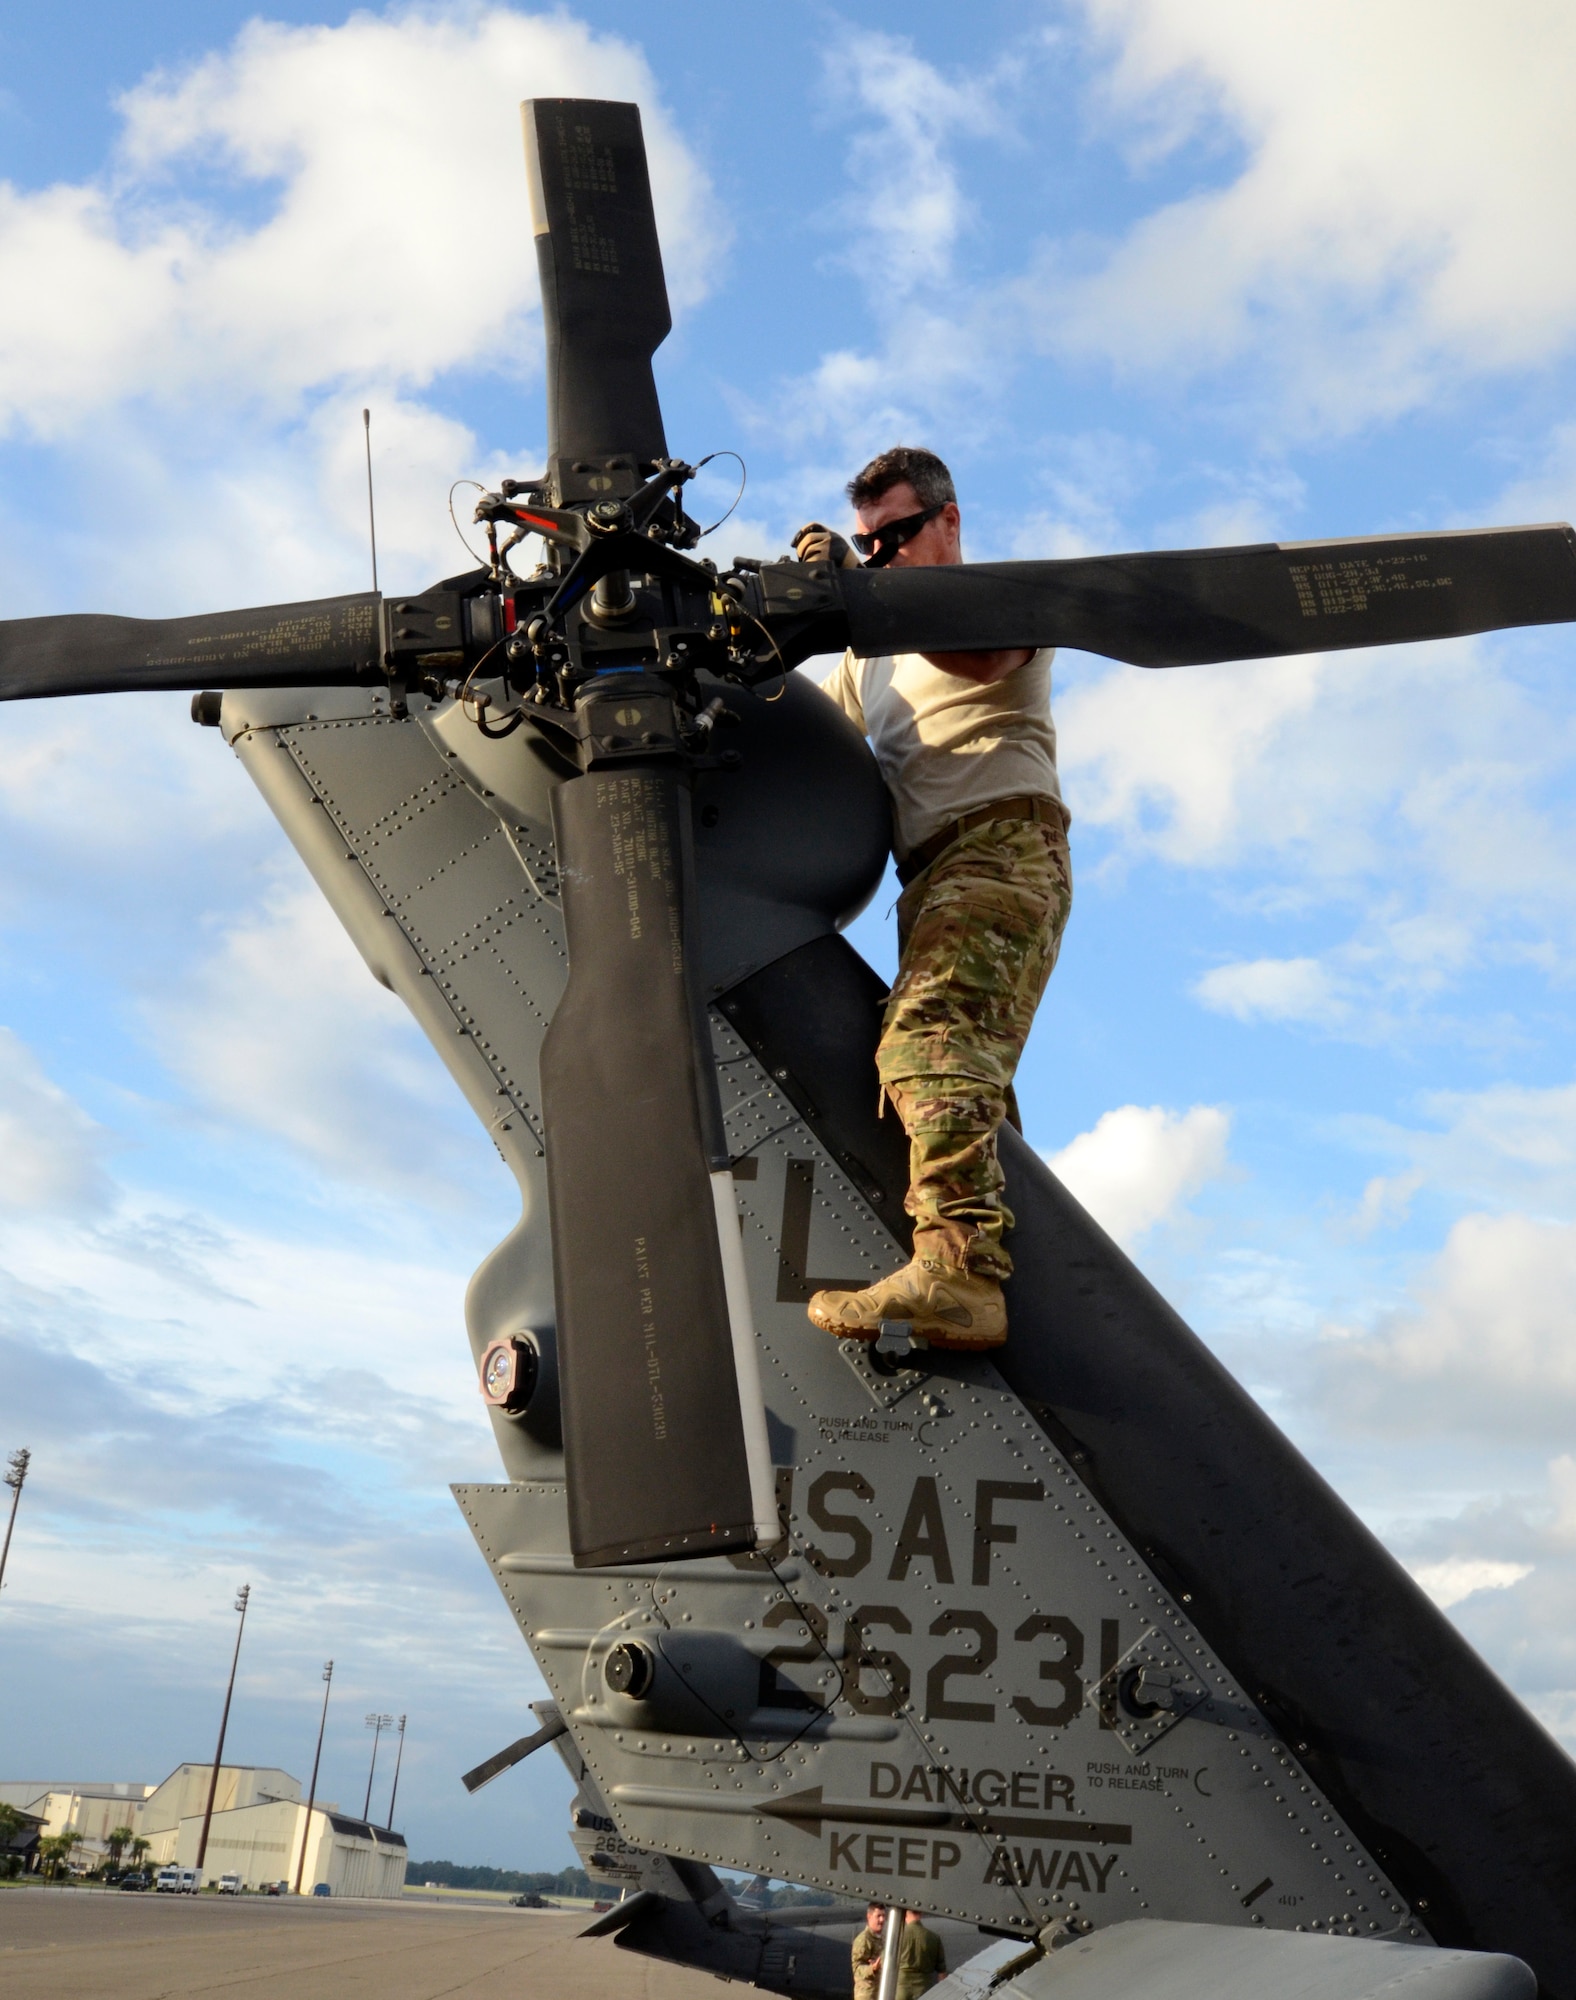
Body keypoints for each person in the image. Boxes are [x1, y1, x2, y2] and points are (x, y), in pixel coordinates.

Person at [794, 446, 1072, 1352]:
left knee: (930, 1049)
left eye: (897, 537)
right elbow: (805, 728)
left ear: (949, 522)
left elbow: (982, 657)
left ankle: (959, 1273)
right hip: (932, 882)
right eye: (869, 546)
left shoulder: (995, 601)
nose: (881, 556)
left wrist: (861, 598)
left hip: (1002, 850)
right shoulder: (866, 657)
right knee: (957, 1086)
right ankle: (1006, 1270)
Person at [898, 1909, 947, 1999]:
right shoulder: (934, 1937)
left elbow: (886, 1961)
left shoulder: (898, 1936)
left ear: (905, 1915)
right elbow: (942, 1972)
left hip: (901, 1989)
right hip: (925, 1989)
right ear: (920, 1913)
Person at [852, 1902, 886, 2000]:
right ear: (869, 1916)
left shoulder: (883, 1939)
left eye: (883, 1916)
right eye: (878, 1916)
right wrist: (872, 1968)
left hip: (881, 1992)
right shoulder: (863, 1940)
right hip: (867, 1995)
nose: (882, 1920)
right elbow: (857, 1969)